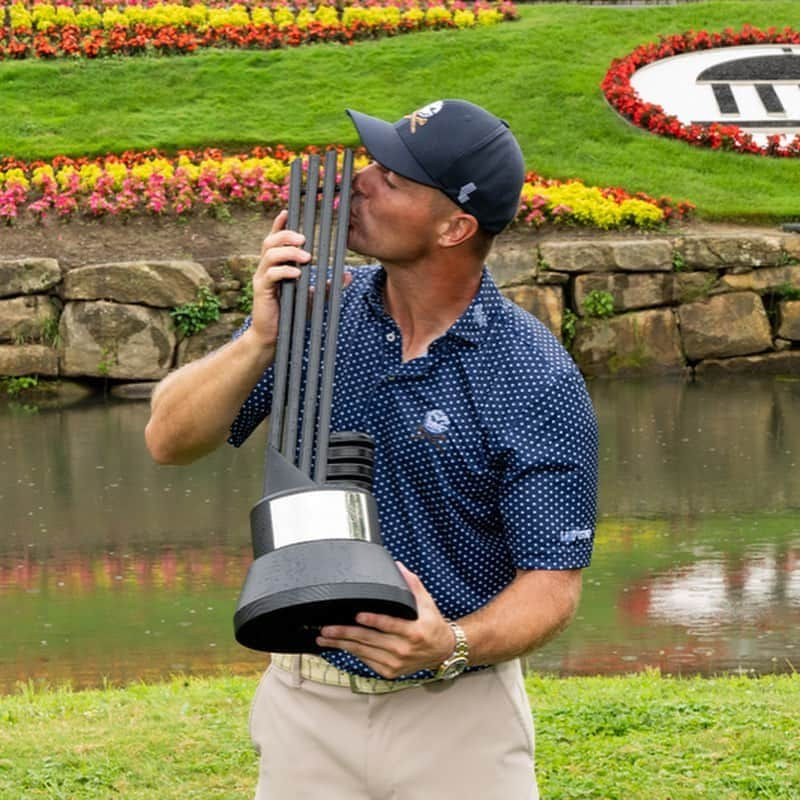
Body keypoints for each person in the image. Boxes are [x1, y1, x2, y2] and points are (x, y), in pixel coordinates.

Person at [145, 99, 598, 800]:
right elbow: (169, 440)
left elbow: (553, 584)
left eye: (391, 178)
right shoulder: (312, 309)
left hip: (460, 719)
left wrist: (452, 642)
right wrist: (262, 336)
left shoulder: (534, 375)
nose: (357, 180)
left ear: (456, 226)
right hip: (306, 708)